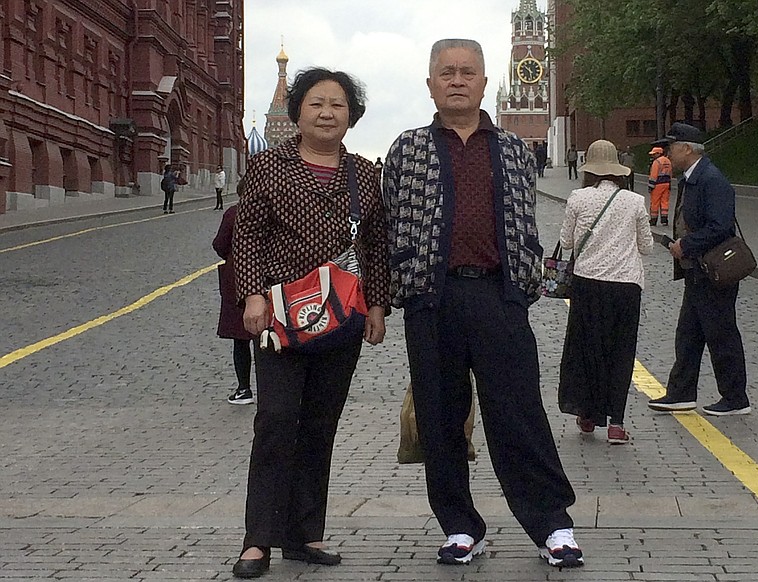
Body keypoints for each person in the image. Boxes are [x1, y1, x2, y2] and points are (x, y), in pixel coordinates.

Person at [383, 38, 583, 569]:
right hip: (433, 299)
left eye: (466, 72)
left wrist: (525, 282)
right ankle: (460, 526)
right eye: (445, 72)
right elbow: (388, 223)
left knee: (517, 412)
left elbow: (524, 222)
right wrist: (403, 285)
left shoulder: (515, 150)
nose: (456, 80)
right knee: (441, 416)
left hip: (499, 296)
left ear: (484, 82)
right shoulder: (408, 148)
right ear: (430, 84)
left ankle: (552, 524)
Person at [230, 67, 390, 579]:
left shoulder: (365, 174)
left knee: (320, 426)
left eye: (338, 105)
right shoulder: (268, 166)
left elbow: (376, 245)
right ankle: (257, 540)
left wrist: (378, 305)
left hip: (341, 317)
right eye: (317, 103)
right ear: (298, 111)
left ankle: (304, 534)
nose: (327, 112)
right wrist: (251, 295)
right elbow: (247, 235)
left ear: (352, 116)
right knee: (275, 422)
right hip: (280, 317)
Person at [648, 122, 751, 416]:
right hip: (698, 272)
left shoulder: (711, 179)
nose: (667, 152)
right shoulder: (694, 177)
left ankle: (735, 398)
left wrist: (686, 245)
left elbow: (721, 227)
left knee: (721, 335)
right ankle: (681, 394)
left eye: (671, 146)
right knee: (688, 335)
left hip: (713, 272)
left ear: (686, 149)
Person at [558, 139, 653, 444]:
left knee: (587, 350)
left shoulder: (577, 198)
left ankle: (587, 415)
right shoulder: (635, 202)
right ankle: (617, 423)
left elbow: (568, 242)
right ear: (618, 170)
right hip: (626, 286)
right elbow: (646, 246)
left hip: (587, 285)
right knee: (621, 351)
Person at [213, 175, 255, 405]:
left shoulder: (233, 213)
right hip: (273, 281)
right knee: (271, 336)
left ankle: (244, 389)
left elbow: (220, 244)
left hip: (237, 281)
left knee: (241, 339)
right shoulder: (278, 211)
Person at [647, 146, 672, 226]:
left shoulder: (656, 162)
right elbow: (670, 174)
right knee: (665, 202)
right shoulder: (668, 161)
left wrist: (651, 186)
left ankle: (653, 220)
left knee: (655, 202)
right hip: (666, 184)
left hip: (657, 184)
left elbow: (653, 175)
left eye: (654, 154)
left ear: (658, 153)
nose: (653, 156)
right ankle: (664, 220)